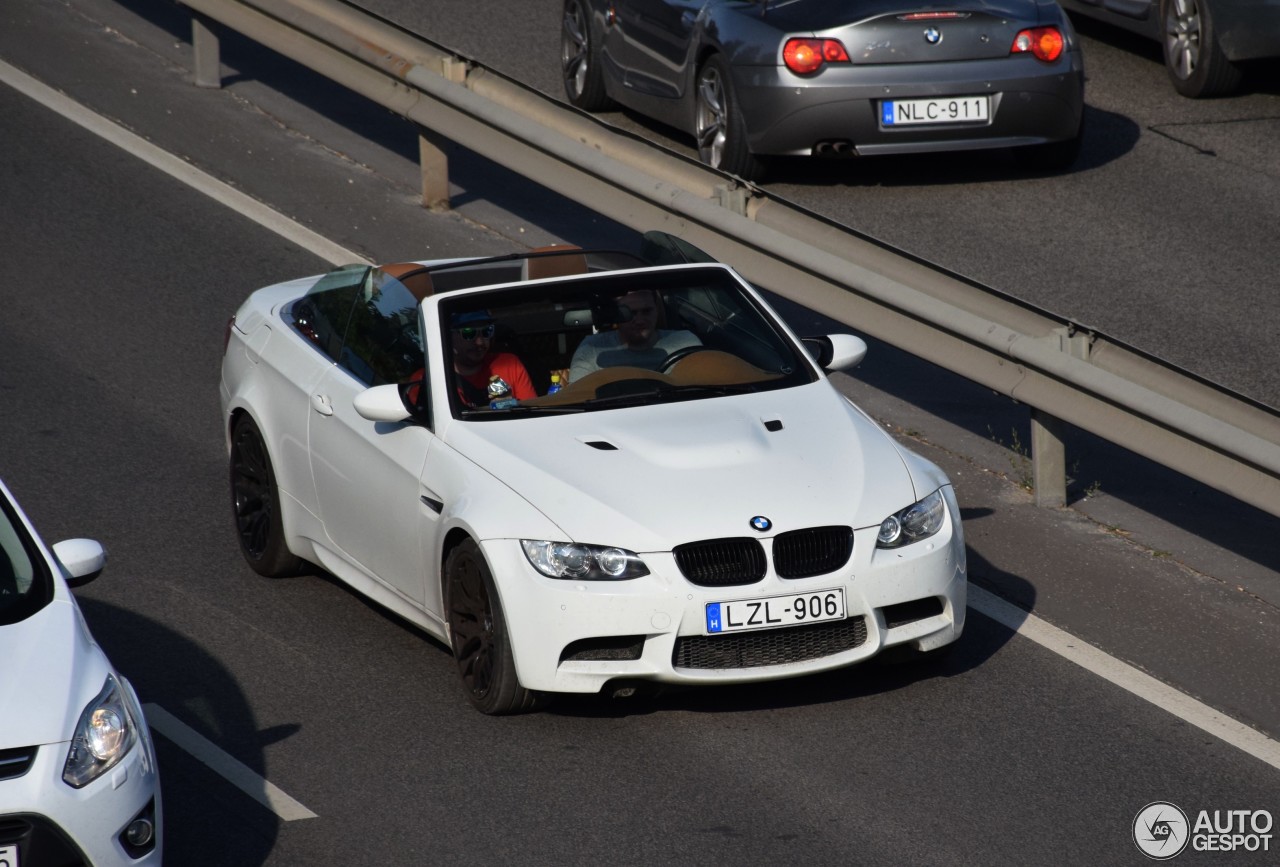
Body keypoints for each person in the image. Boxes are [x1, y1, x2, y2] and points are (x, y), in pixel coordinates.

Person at [568, 289, 700, 382]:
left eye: (647, 311)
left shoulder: (685, 343)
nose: (640, 320)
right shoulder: (592, 349)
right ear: (616, 315)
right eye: (630, 313)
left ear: (657, 310)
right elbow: (578, 399)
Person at [450, 311, 536, 407]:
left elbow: (532, 413)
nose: (480, 342)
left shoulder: (509, 364)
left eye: (487, 331)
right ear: (450, 337)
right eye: (469, 333)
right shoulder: (439, 377)